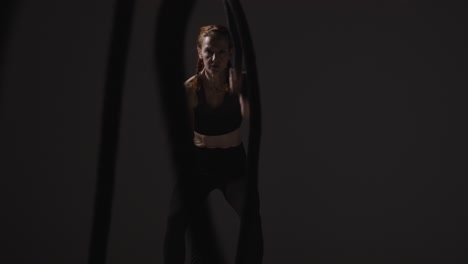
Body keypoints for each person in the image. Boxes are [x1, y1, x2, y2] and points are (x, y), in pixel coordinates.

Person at [163, 25, 263, 264]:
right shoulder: (190, 89)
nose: (214, 58)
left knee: (252, 220)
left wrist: (240, 93)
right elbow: (183, 136)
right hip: (200, 163)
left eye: (221, 52)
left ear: (230, 53)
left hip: (234, 165)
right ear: (199, 52)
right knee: (176, 221)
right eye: (209, 51)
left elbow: (253, 117)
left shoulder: (241, 80)